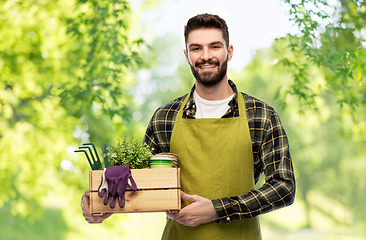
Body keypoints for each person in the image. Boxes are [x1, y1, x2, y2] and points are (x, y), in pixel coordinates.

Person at [81, 13, 295, 240]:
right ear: (187, 55)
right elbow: (138, 182)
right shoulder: (165, 118)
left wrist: (217, 209)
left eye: (214, 47)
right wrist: (100, 198)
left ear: (229, 52)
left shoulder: (260, 115)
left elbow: (283, 187)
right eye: (196, 48)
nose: (206, 56)